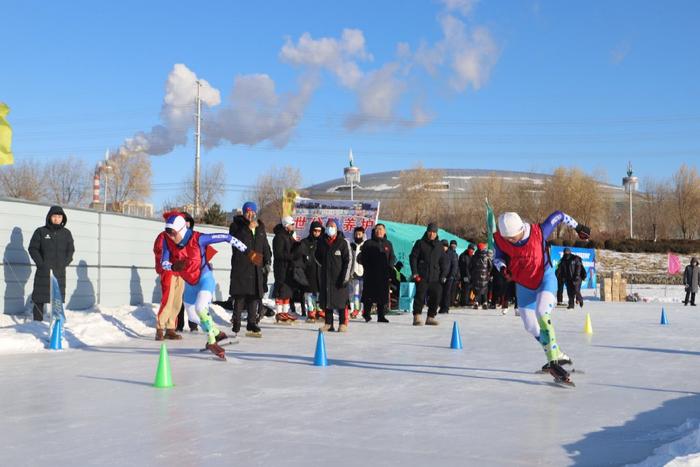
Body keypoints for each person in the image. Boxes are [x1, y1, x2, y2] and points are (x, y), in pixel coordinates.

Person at [493, 211, 590, 385]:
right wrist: (502, 268)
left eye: (514, 238)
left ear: (521, 229)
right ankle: (557, 353)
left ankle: (553, 361)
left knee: (542, 313)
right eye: (508, 239)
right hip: (523, 284)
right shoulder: (500, 239)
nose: (511, 241)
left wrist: (579, 227)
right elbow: (497, 258)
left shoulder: (539, 231)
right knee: (530, 326)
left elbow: (559, 215)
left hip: (544, 278)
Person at [161, 214, 258, 359]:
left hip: (205, 279)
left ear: (181, 230)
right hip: (190, 285)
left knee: (201, 308)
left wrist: (248, 251)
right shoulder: (168, 242)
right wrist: (173, 265)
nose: (170, 236)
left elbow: (227, 237)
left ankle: (211, 341)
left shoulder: (199, 238)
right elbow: (163, 263)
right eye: (167, 233)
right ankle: (217, 333)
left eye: (172, 233)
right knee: (194, 318)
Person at [229, 202, 270, 336]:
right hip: (242, 265)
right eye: (247, 212)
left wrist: (267, 260)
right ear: (244, 212)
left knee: (254, 296)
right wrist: (247, 227)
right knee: (240, 295)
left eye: (252, 212)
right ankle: (236, 321)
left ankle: (252, 323)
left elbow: (264, 245)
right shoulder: (236, 225)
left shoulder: (260, 226)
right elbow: (234, 241)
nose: (250, 214)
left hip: (256, 265)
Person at [28, 206, 75, 321]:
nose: (57, 219)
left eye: (59, 216)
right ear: (50, 217)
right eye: (54, 216)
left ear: (62, 218)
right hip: (43, 272)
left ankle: (56, 324)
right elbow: (33, 248)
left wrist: (64, 263)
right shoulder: (41, 232)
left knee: (57, 299)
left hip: (59, 272)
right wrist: (41, 264)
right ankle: (37, 323)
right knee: (39, 298)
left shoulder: (66, 233)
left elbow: (71, 250)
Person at [153, 211, 186, 341]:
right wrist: (172, 262)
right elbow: (159, 252)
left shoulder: (183, 237)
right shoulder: (163, 236)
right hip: (169, 272)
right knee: (168, 299)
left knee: (177, 301)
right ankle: (160, 328)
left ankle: (171, 328)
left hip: (181, 273)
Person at [316, 218, 351, 332]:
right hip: (326, 277)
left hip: (340, 277)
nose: (330, 228)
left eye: (332, 226)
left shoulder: (343, 242)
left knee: (341, 301)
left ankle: (342, 323)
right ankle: (328, 323)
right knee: (327, 301)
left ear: (337, 228)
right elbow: (317, 257)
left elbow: (348, 260)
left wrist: (345, 277)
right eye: (328, 226)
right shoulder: (322, 241)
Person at [409, 222, 445, 326]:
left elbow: (444, 261)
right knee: (420, 296)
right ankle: (417, 316)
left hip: (436, 277)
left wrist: (443, 275)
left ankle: (431, 317)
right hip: (422, 275)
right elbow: (413, 258)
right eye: (430, 232)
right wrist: (415, 272)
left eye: (434, 232)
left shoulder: (440, 245)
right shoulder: (420, 243)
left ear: (436, 233)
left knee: (437, 296)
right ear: (427, 232)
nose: (432, 234)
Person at [358, 223, 396, 322]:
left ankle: (381, 316)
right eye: (377, 229)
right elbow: (363, 258)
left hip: (383, 274)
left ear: (385, 231)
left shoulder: (388, 244)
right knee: (368, 295)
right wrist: (368, 267)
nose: (379, 231)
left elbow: (392, 257)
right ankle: (366, 313)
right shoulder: (368, 243)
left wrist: (390, 267)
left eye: (381, 229)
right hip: (370, 274)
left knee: (382, 296)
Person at [272, 216, 302, 324]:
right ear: (286, 226)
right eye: (292, 224)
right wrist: (292, 256)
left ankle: (285, 313)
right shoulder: (279, 237)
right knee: (281, 290)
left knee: (287, 291)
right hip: (281, 268)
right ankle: (279, 313)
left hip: (288, 267)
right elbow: (279, 254)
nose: (294, 226)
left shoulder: (289, 236)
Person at [175, 212, 198, 332]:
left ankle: (193, 325)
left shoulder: (194, 237)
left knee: (191, 299)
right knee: (179, 300)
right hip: (180, 271)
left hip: (192, 273)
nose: (187, 225)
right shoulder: (176, 239)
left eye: (189, 223)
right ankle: (179, 325)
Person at [301, 221, 323, 322]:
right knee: (309, 292)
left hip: (320, 271)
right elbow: (301, 256)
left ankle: (319, 310)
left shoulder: (323, 242)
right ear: (311, 230)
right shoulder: (305, 242)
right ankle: (311, 311)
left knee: (319, 292)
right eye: (315, 230)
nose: (317, 233)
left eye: (319, 231)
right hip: (309, 271)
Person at [349, 226, 366, 319]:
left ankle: (364, 309)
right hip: (354, 271)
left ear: (363, 234)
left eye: (360, 234)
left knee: (363, 291)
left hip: (364, 271)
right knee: (355, 292)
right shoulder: (351, 245)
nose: (358, 236)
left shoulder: (366, 245)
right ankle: (356, 308)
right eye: (356, 234)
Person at [469, 243, 491, 310]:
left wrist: (472, 272)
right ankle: (485, 303)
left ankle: (476, 302)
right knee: (484, 289)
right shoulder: (487, 256)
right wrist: (487, 272)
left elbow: (471, 266)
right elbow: (490, 265)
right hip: (485, 276)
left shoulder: (474, 256)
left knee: (477, 289)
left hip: (476, 275)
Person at [438, 239, 458, 314]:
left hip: (449, 277)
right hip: (441, 276)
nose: (443, 248)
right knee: (440, 292)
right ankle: (441, 306)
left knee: (447, 292)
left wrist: (451, 276)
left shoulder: (452, 254)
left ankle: (445, 308)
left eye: (444, 246)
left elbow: (454, 266)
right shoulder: (439, 253)